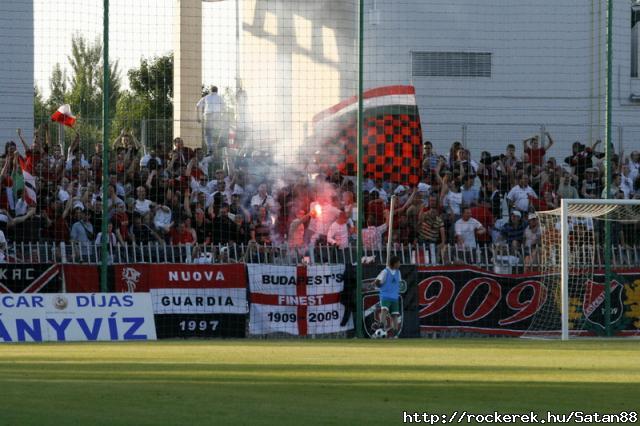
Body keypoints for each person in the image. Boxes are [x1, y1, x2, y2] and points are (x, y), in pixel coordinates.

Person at [373, 255, 402, 338]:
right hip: (385, 295)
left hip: (394, 297)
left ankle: (395, 334)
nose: (400, 264)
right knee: (384, 310)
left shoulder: (398, 272)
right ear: (394, 263)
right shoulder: (385, 271)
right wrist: (380, 285)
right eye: (398, 262)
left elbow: (398, 282)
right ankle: (381, 327)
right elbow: (377, 281)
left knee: (394, 315)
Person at [196, 86, 224, 153]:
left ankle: (210, 149)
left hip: (209, 116)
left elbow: (197, 105)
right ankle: (216, 148)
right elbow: (224, 108)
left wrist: (198, 117)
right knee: (216, 132)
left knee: (208, 134)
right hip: (217, 116)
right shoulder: (220, 98)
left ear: (210, 91)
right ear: (217, 91)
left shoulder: (206, 97)